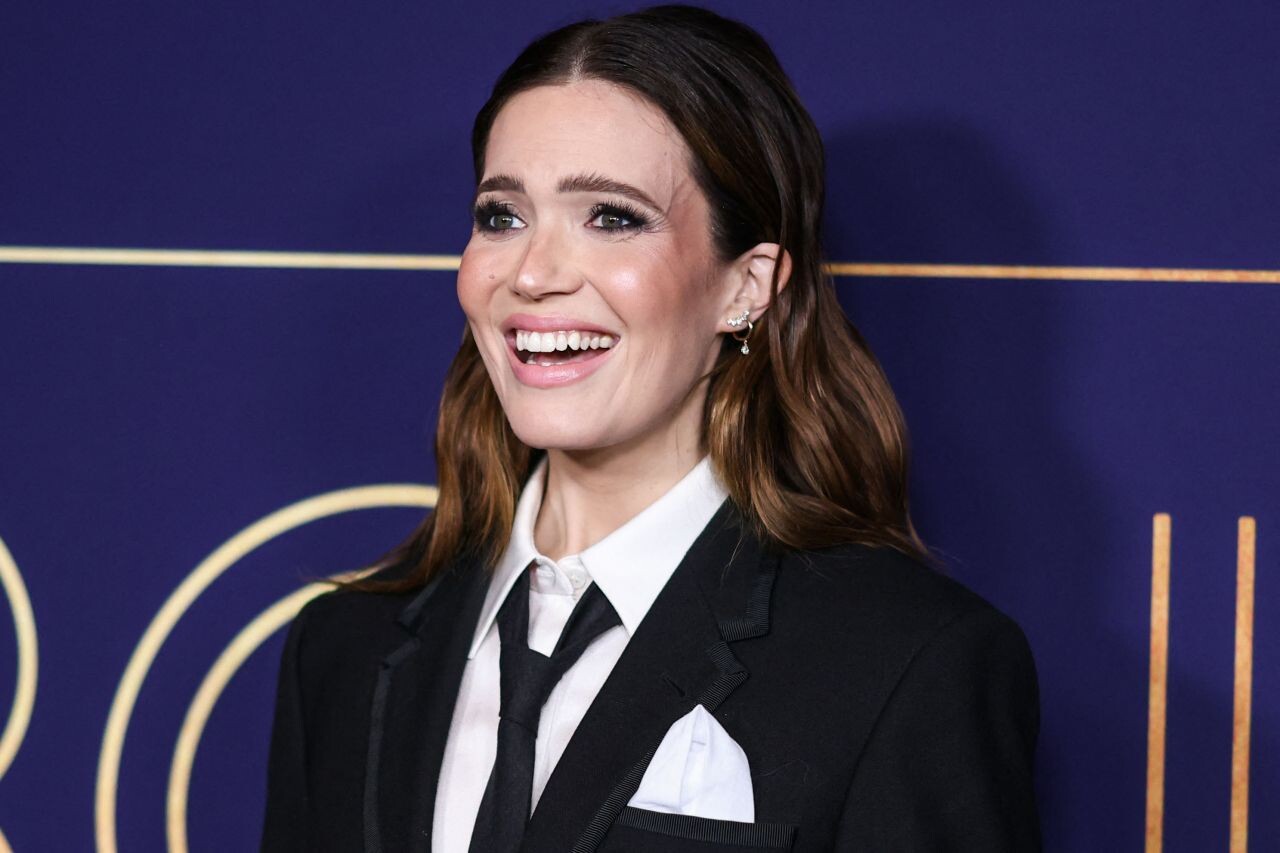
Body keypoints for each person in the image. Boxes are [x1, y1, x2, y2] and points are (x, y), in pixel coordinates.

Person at [259, 5, 1041, 851]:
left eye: (612, 216)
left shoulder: (906, 664)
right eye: (502, 216)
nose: (532, 273)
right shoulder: (341, 650)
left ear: (746, 286)